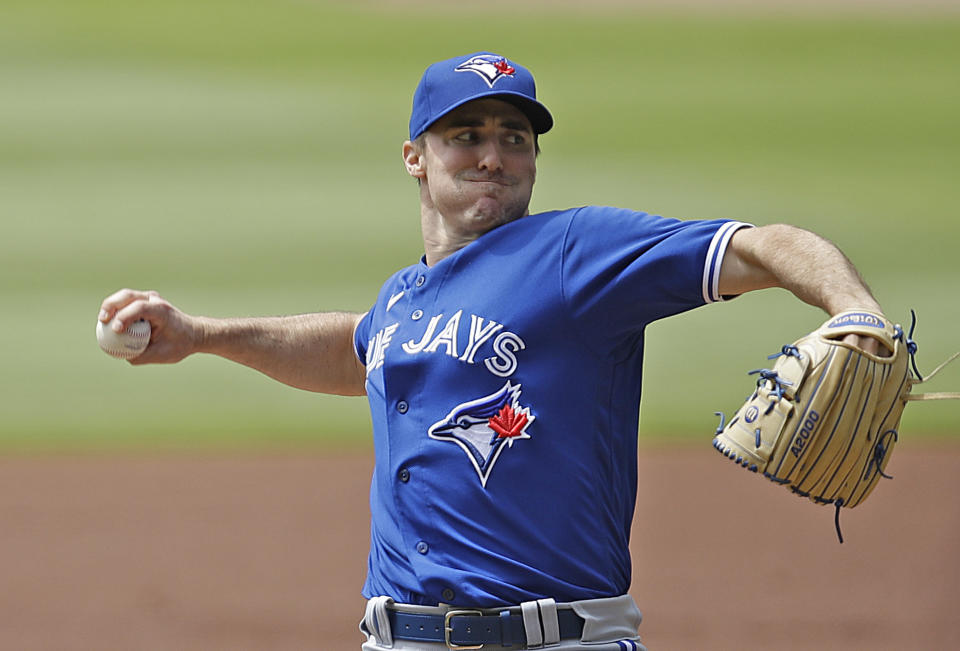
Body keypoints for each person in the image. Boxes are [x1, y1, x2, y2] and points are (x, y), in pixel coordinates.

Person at [99, 52, 888, 650]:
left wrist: (853, 309)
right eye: (465, 135)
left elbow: (763, 244)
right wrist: (201, 336)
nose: (492, 155)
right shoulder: (404, 299)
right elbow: (359, 351)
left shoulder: (577, 253)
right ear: (415, 155)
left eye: (514, 138)